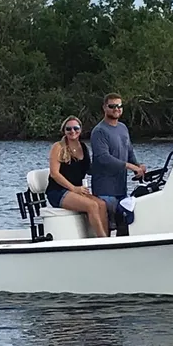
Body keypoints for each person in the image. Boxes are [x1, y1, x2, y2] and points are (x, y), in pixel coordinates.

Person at [45, 116, 109, 238]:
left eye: (76, 128)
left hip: (76, 190)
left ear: (80, 129)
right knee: (92, 205)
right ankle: (102, 240)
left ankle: (106, 238)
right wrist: (74, 188)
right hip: (58, 191)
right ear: (64, 131)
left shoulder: (83, 147)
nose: (72, 131)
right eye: (68, 129)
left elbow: (89, 169)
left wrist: (108, 166)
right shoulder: (58, 147)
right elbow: (54, 173)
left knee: (102, 204)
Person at [89, 93, 146, 229]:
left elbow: (129, 151)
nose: (116, 109)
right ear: (104, 108)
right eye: (112, 106)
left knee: (124, 225)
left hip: (121, 189)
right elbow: (103, 158)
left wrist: (138, 165)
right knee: (110, 226)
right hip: (105, 190)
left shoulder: (123, 128)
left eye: (119, 106)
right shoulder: (99, 131)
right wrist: (130, 167)